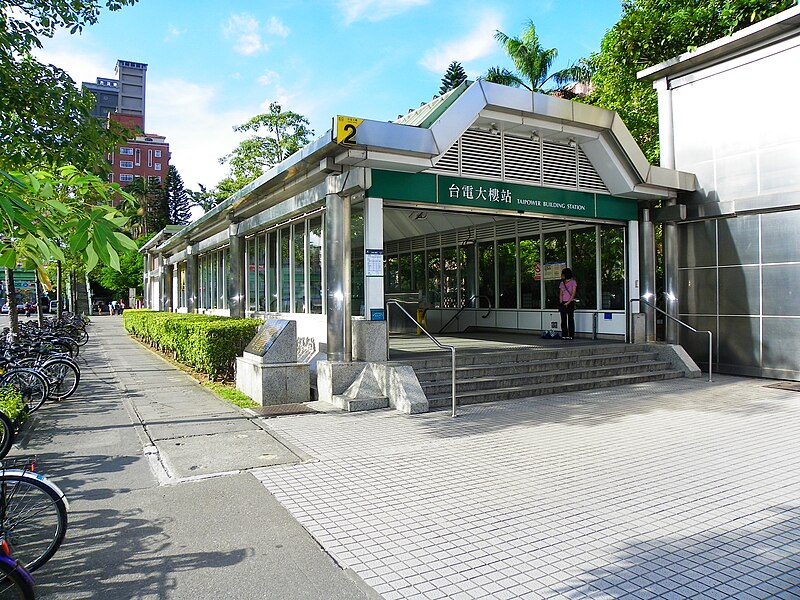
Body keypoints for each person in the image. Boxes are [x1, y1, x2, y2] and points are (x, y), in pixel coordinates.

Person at [558, 268, 577, 340]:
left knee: (570, 318)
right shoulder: (562, 283)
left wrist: (568, 302)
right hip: (563, 302)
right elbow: (560, 293)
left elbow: (573, 293)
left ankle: (571, 334)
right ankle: (564, 334)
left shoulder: (573, 282)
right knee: (563, 319)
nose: (562, 275)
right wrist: (561, 302)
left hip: (570, 302)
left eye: (563, 274)